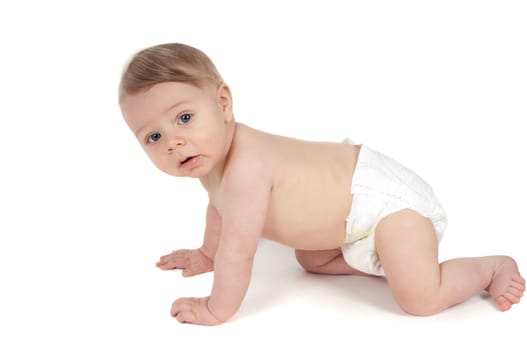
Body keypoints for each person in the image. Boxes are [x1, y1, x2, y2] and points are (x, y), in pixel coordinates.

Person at [118, 43, 525, 326]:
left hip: (387, 206)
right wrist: (208, 253)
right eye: (152, 137)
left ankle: (489, 268)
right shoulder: (213, 164)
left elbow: (239, 253)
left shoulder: (247, 166)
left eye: (184, 118)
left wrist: (217, 308)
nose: (173, 141)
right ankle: (388, 258)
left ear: (222, 103)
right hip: (350, 217)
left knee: (420, 299)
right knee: (311, 260)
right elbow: (218, 206)